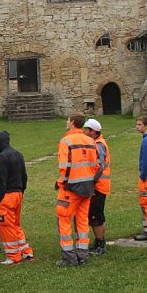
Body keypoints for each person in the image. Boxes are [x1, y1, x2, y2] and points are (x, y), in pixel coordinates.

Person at [55, 114, 98, 267]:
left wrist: (62, 183)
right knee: (82, 221)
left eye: (68, 120)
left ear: (72, 122)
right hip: (87, 187)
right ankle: (83, 255)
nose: (67, 122)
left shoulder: (66, 140)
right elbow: (96, 165)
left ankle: (69, 257)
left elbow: (65, 166)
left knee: (64, 220)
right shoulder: (90, 140)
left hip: (71, 188)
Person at [0, 131, 34, 264]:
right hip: (18, 194)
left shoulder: (3, 157)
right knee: (16, 224)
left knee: (6, 225)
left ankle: (13, 256)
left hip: (7, 195)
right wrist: (22, 191)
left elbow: (2, 179)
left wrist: (0, 197)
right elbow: (24, 176)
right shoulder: (18, 154)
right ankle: (25, 251)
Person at [83, 119, 111, 256]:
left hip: (98, 186)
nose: (84, 132)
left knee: (95, 216)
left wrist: (91, 181)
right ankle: (100, 242)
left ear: (93, 132)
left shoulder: (98, 145)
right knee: (98, 215)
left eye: (87, 130)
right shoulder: (97, 142)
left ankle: (100, 245)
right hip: (101, 185)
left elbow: (99, 167)